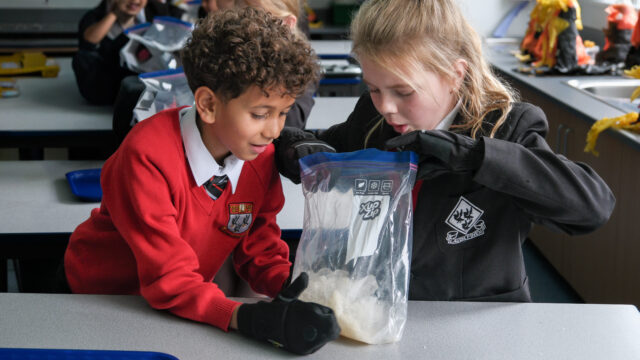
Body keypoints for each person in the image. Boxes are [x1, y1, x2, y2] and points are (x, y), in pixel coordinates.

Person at [275, 0, 616, 302]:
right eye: (374, 88)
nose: (387, 107)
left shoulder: (508, 127)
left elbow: (591, 207)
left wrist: (476, 157)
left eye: (403, 92)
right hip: (379, 305)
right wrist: (294, 148)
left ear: (455, 75)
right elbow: (322, 146)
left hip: (477, 315)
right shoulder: (371, 117)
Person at [64, 8, 339, 355]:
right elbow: (170, 278)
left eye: (283, 113)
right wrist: (250, 318)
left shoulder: (259, 156)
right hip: (105, 299)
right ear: (208, 104)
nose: (274, 131)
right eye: (260, 114)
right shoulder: (147, 156)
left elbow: (260, 250)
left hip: (179, 298)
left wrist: (300, 291)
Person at [113, 0, 313, 145]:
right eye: (239, 12)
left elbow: (288, 124)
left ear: (287, 24)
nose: (244, 25)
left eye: (256, 18)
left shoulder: (295, 74)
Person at [72, 0, 183, 105]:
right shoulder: (93, 17)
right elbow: (89, 42)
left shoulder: (156, 10)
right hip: (108, 85)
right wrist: (115, 13)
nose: (135, 1)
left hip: (149, 79)